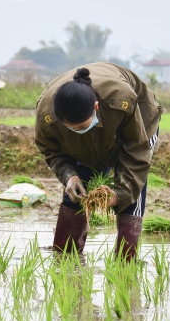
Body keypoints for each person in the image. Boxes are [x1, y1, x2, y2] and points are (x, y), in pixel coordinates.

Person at [34, 62, 163, 260]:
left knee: (131, 185)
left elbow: (136, 153)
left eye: (81, 126)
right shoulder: (46, 115)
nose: (76, 131)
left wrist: (120, 195)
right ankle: (66, 255)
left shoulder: (121, 99)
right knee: (79, 188)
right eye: (70, 128)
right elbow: (51, 150)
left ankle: (126, 260)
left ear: (95, 107)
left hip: (139, 120)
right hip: (90, 117)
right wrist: (69, 176)